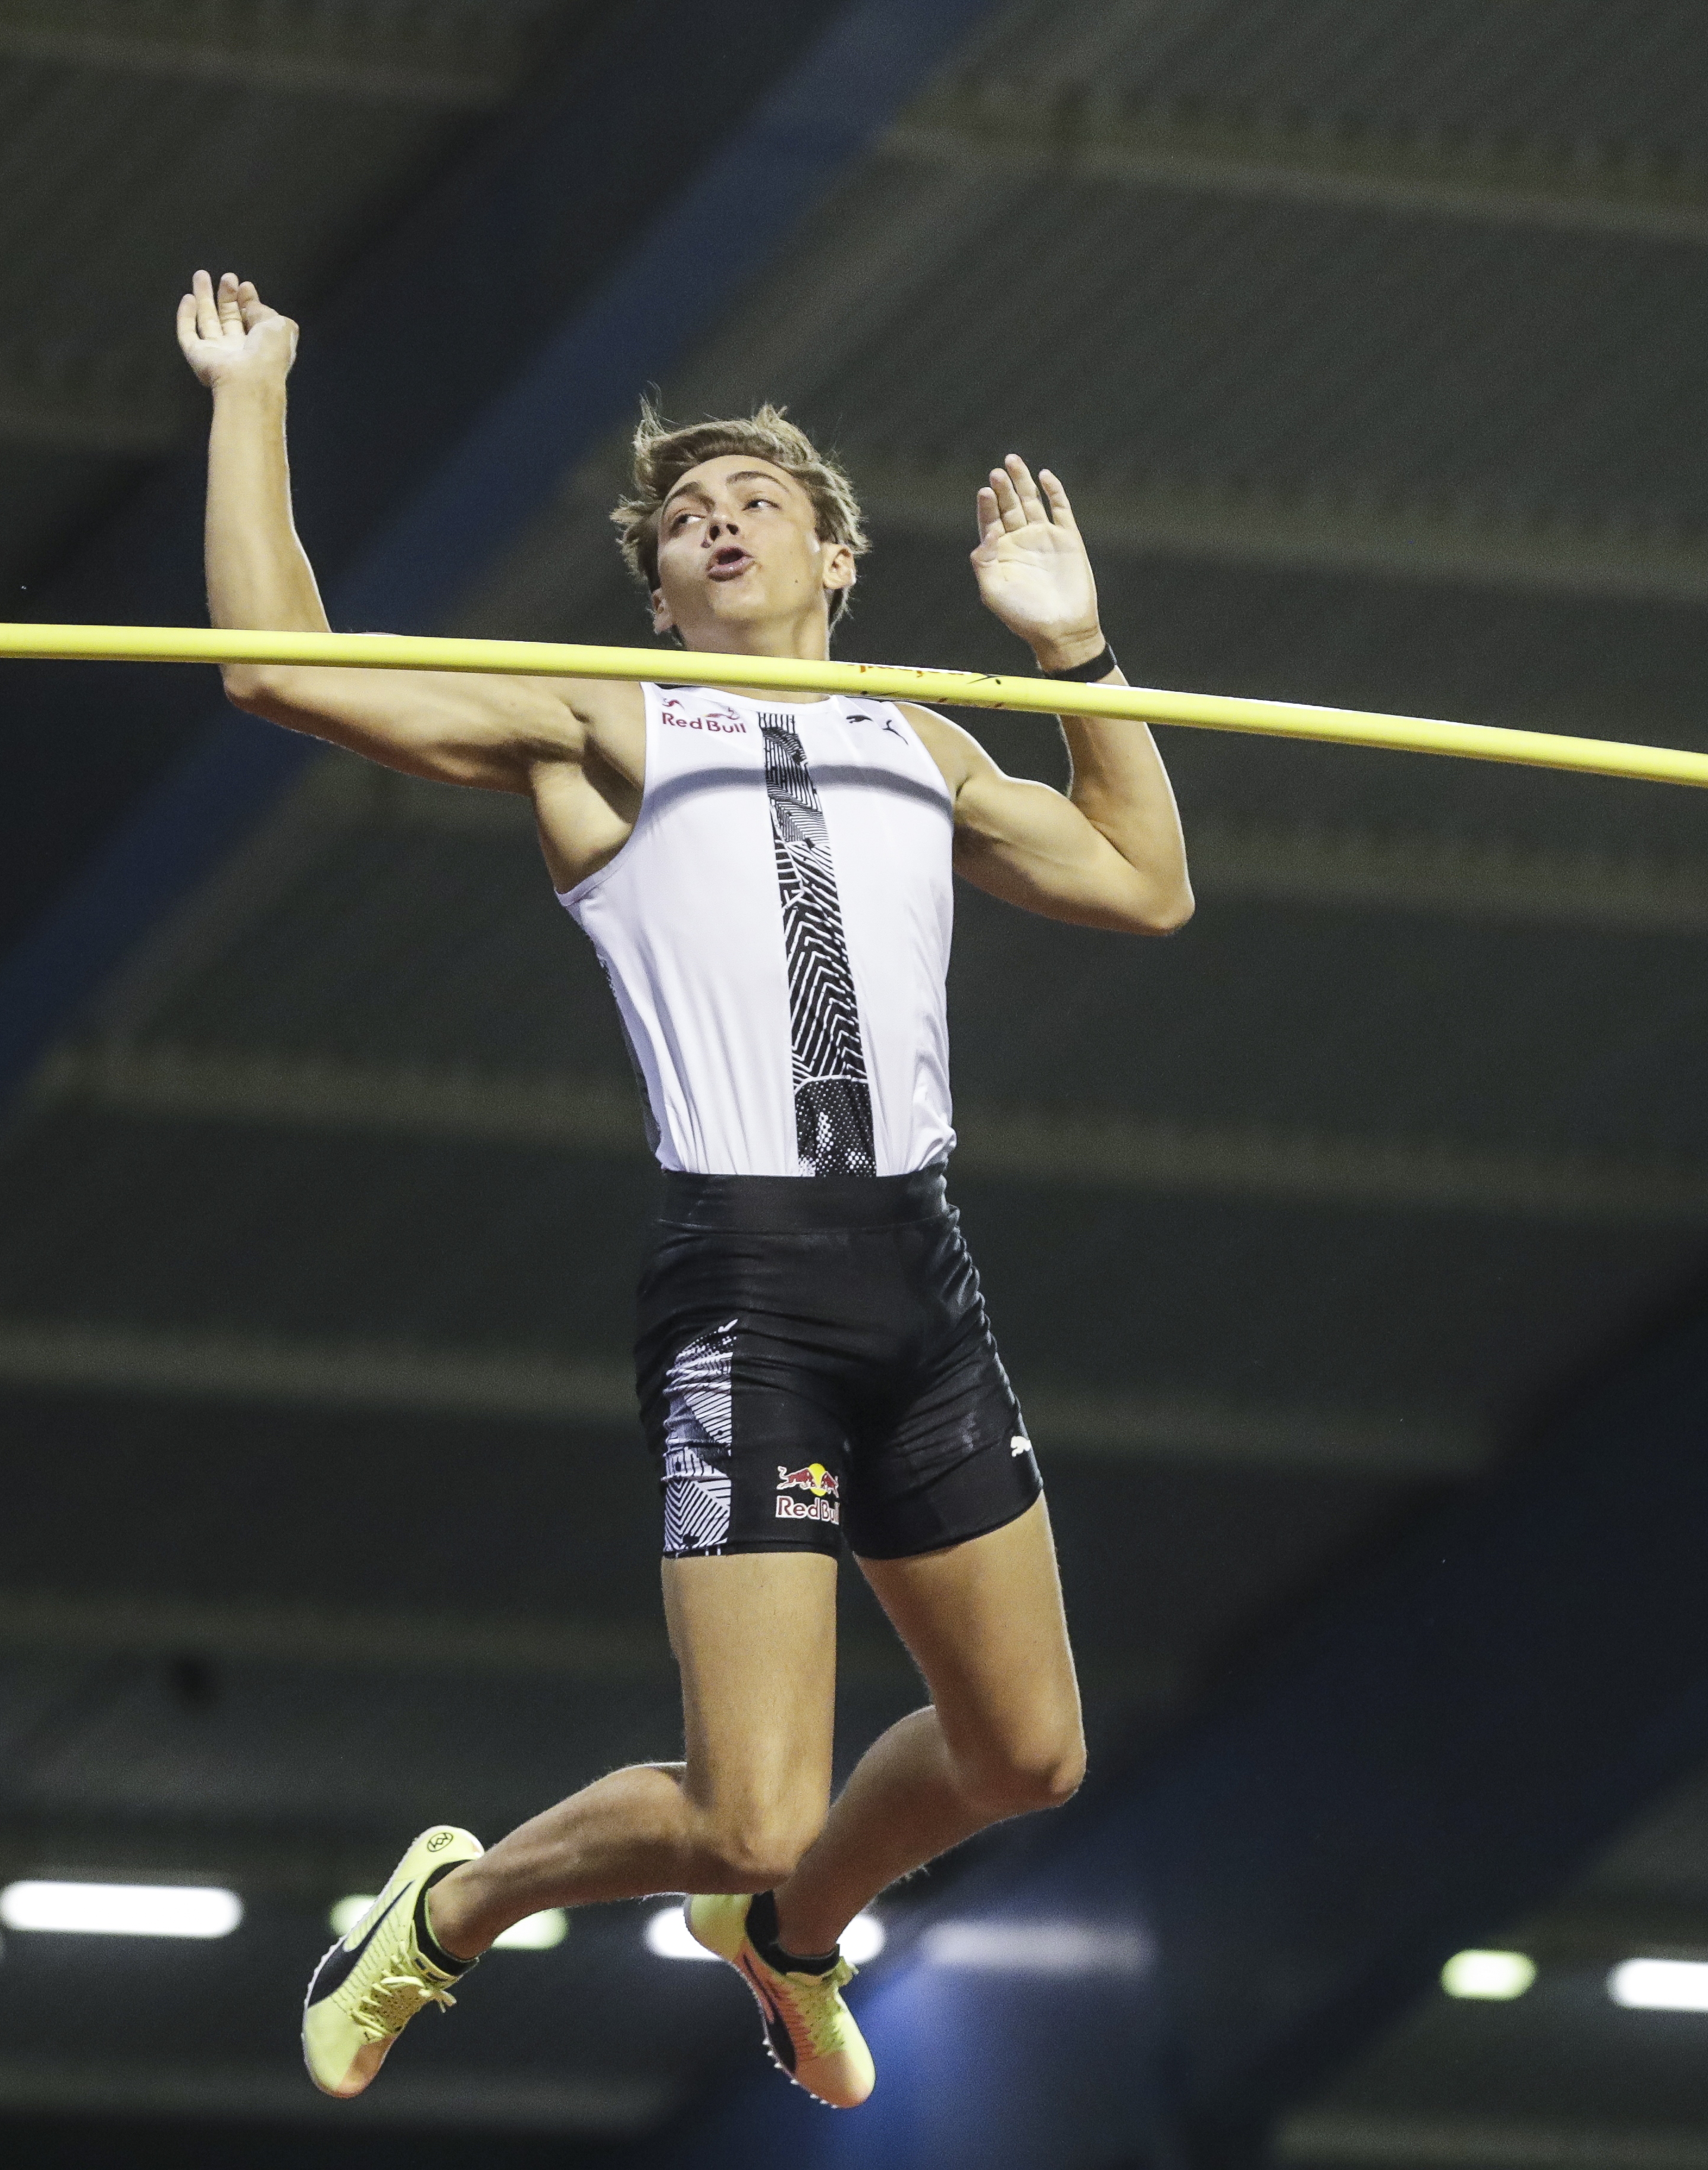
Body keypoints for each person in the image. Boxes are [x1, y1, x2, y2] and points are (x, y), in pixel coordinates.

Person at [175, 269, 1191, 2111]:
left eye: (759, 505)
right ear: (659, 587)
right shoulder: (609, 727)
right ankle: (447, 1909)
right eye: (685, 521)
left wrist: (1076, 655)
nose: (719, 525)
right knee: (747, 1807)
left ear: (835, 561)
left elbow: (1144, 882)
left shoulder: (925, 739)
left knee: (1030, 1756)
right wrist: (253, 400)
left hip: (921, 1278)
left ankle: (793, 1940)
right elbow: (273, 669)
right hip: (752, 1288)